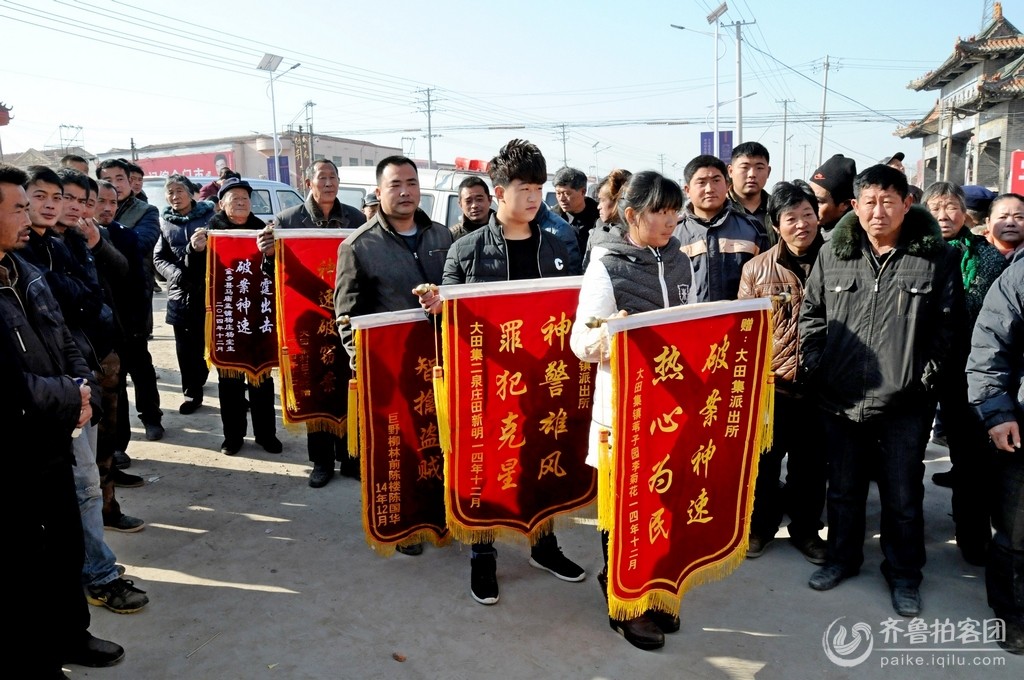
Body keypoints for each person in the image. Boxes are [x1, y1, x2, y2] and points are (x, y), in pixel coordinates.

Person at [799, 164, 965, 617]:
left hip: (906, 403)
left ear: (907, 203)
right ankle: (842, 561)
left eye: (888, 200)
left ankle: (905, 575)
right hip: (841, 398)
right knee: (845, 490)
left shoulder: (936, 257)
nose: (878, 211)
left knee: (903, 496)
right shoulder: (834, 253)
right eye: (869, 201)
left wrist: (924, 379)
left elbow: (950, 328)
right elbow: (812, 315)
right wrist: (819, 365)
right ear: (854, 205)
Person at [423, 139, 583, 607]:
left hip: (543, 380)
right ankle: (482, 554)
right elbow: (449, 318)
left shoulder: (558, 245)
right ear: (498, 192)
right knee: (485, 466)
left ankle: (544, 545)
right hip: (488, 383)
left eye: (538, 187)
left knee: (542, 458)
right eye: (523, 188)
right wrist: (438, 306)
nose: (534, 198)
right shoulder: (467, 251)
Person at [0, 163, 126, 673]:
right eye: (18, 206)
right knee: (26, 562)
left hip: (50, 436)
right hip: (17, 445)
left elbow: (67, 338)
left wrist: (84, 385)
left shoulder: (23, 272)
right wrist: (69, 395)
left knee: (64, 546)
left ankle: (72, 635)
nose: (32, 213)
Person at [570, 170, 696, 651]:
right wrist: (612, 336)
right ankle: (624, 600)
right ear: (631, 215)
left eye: (674, 211)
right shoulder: (607, 266)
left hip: (670, 411)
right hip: (624, 412)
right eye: (661, 212)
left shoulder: (681, 262)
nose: (671, 221)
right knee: (623, 509)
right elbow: (581, 342)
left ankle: (658, 586)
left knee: (665, 503)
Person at [332, 155, 452, 555]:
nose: (405, 192)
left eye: (412, 183)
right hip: (393, 368)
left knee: (439, 444)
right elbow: (346, 317)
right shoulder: (358, 246)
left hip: (439, 363)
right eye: (396, 184)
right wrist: (365, 366)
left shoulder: (441, 237)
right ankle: (403, 526)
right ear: (379, 191)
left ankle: (442, 516)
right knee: (399, 448)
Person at [258, 158, 366, 487]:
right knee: (315, 384)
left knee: (349, 382)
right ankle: (320, 461)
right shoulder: (289, 220)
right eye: (323, 177)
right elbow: (274, 275)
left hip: (346, 314)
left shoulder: (355, 217)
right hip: (308, 316)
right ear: (309, 183)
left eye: (334, 176)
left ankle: (350, 456)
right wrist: (267, 254)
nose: (329, 182)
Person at [737, 181, 827, 564]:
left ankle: (806, 531)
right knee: (765, 463)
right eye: (791, 218)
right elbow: (746, 328)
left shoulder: (837, 260)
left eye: (808, 214)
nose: (801, 224)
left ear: (818, 217)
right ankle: (761, 528)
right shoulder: (756, 269)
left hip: (822, 385)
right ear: (776, 225)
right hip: (773, 386)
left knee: (811, 466)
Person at [922, 182, 1006, 564]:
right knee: (907, 456)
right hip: (920, 367)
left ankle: (972, 536)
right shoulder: (914, 253)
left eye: (952, 207)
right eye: (936, 207)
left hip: (966, 370)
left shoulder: (988, 258)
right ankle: (904, 536)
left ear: (965, 213)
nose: (944, 215)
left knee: (970, 458)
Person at [966, 259, 1024, 655]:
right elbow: (989, 344)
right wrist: (998, 413)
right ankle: (1013, 614)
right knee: (1018, 528)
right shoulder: (1019, 276)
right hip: (1022, 423)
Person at [209, 178, 282, 456]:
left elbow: (278, 270)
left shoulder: (263, 231)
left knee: (262, 377)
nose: (241, 202)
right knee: (229, 381)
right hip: (226, 315)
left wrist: (272, 252)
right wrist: (195, 250)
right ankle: (233, 436)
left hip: (259, 313)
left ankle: (266, 435)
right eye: (234, 197)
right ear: (221, 203)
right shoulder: (211, 231)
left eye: (245, 198)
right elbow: (192, 273)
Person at [97, 158, 163, 442]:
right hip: (102, 302)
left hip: (135, 297)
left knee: (139, 364)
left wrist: (105, 234)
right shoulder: (91, 211)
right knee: (113, 373)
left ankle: (151, 418)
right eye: (107, 177)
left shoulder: (145, 210)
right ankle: (119, 440)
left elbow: (143, 242)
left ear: (130, 181)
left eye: (119, 178)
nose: (114, 183)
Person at [154, 174, 216, 415]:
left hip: (211, 291)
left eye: (179, 190)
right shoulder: (164, 222)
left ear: (191, 193)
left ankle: (232, 392)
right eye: (170, 192)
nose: (175, 196)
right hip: (181, 294)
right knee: (185, 349)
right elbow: (159, 258)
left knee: (213, 344)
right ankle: (192, 394)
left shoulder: (210, 218)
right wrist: (175, 275)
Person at [673, 154, 769, 301]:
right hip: (690, 321)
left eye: (716, 180)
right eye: (701, 182)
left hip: (740, 320)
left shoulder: (751, 229)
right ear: (687, 190)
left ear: (727, 185)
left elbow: (765, 283)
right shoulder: (672, 233)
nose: (710, 189)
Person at [582, 168, 632, 270]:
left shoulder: (641, 234)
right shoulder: (596, 233)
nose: (598, 206)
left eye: (602, 200)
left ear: (617, 200)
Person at [727, 141, 774, 244]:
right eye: (744, 167)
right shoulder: (720, 208)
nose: (752, 174)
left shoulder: (777, 208)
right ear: (730, 171)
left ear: (768, 172)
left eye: (759, 168)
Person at [553, 166, 600, 257]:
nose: (561, 199)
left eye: (567, 193)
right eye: (558, 193)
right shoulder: (552, 219)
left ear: (583, 192)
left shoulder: (600, 215)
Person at [808, 154, 857, 241]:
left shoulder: (850, 243)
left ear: (845, 204)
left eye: (819, 201)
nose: (810, 206)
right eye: (809, 198)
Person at [450, 175, 492, 241]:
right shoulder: (451, 236)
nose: (474, 205)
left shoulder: (504, 230)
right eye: (468, 201)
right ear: (460, 204)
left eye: (479, 199)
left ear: (490, 200)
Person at [985, 193, 1024, 261]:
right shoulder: (971, 254)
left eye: (1019, 217)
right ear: (988, 223)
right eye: (1002, 217)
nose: (1010, 223)